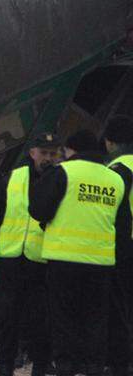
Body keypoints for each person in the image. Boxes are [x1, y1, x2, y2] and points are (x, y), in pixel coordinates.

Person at [30, 129, 127, 376]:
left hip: (64, 258)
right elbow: (122, 221)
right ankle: (93, 366)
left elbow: (39, 210)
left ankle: (66, 366)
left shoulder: (63, 173)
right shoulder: (114, 179)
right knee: (95, 316)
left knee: (64, 316)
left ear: (72, 150)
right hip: (101, 262)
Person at [0, 132, 60, 376]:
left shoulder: (61, 180)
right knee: (7, 317)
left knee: (40, 320)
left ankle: (40, 366)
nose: (48, 159)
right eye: (44, 153)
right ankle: (5, 365)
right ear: (32, 153)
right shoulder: (13, 178)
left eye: (53, 154)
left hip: (42, 262)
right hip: (11, 259)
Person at [105, 116, 133, 376]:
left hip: (125, 246)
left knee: (121, 304)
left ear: (112, 143)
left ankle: (121, 362)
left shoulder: (116, 171)